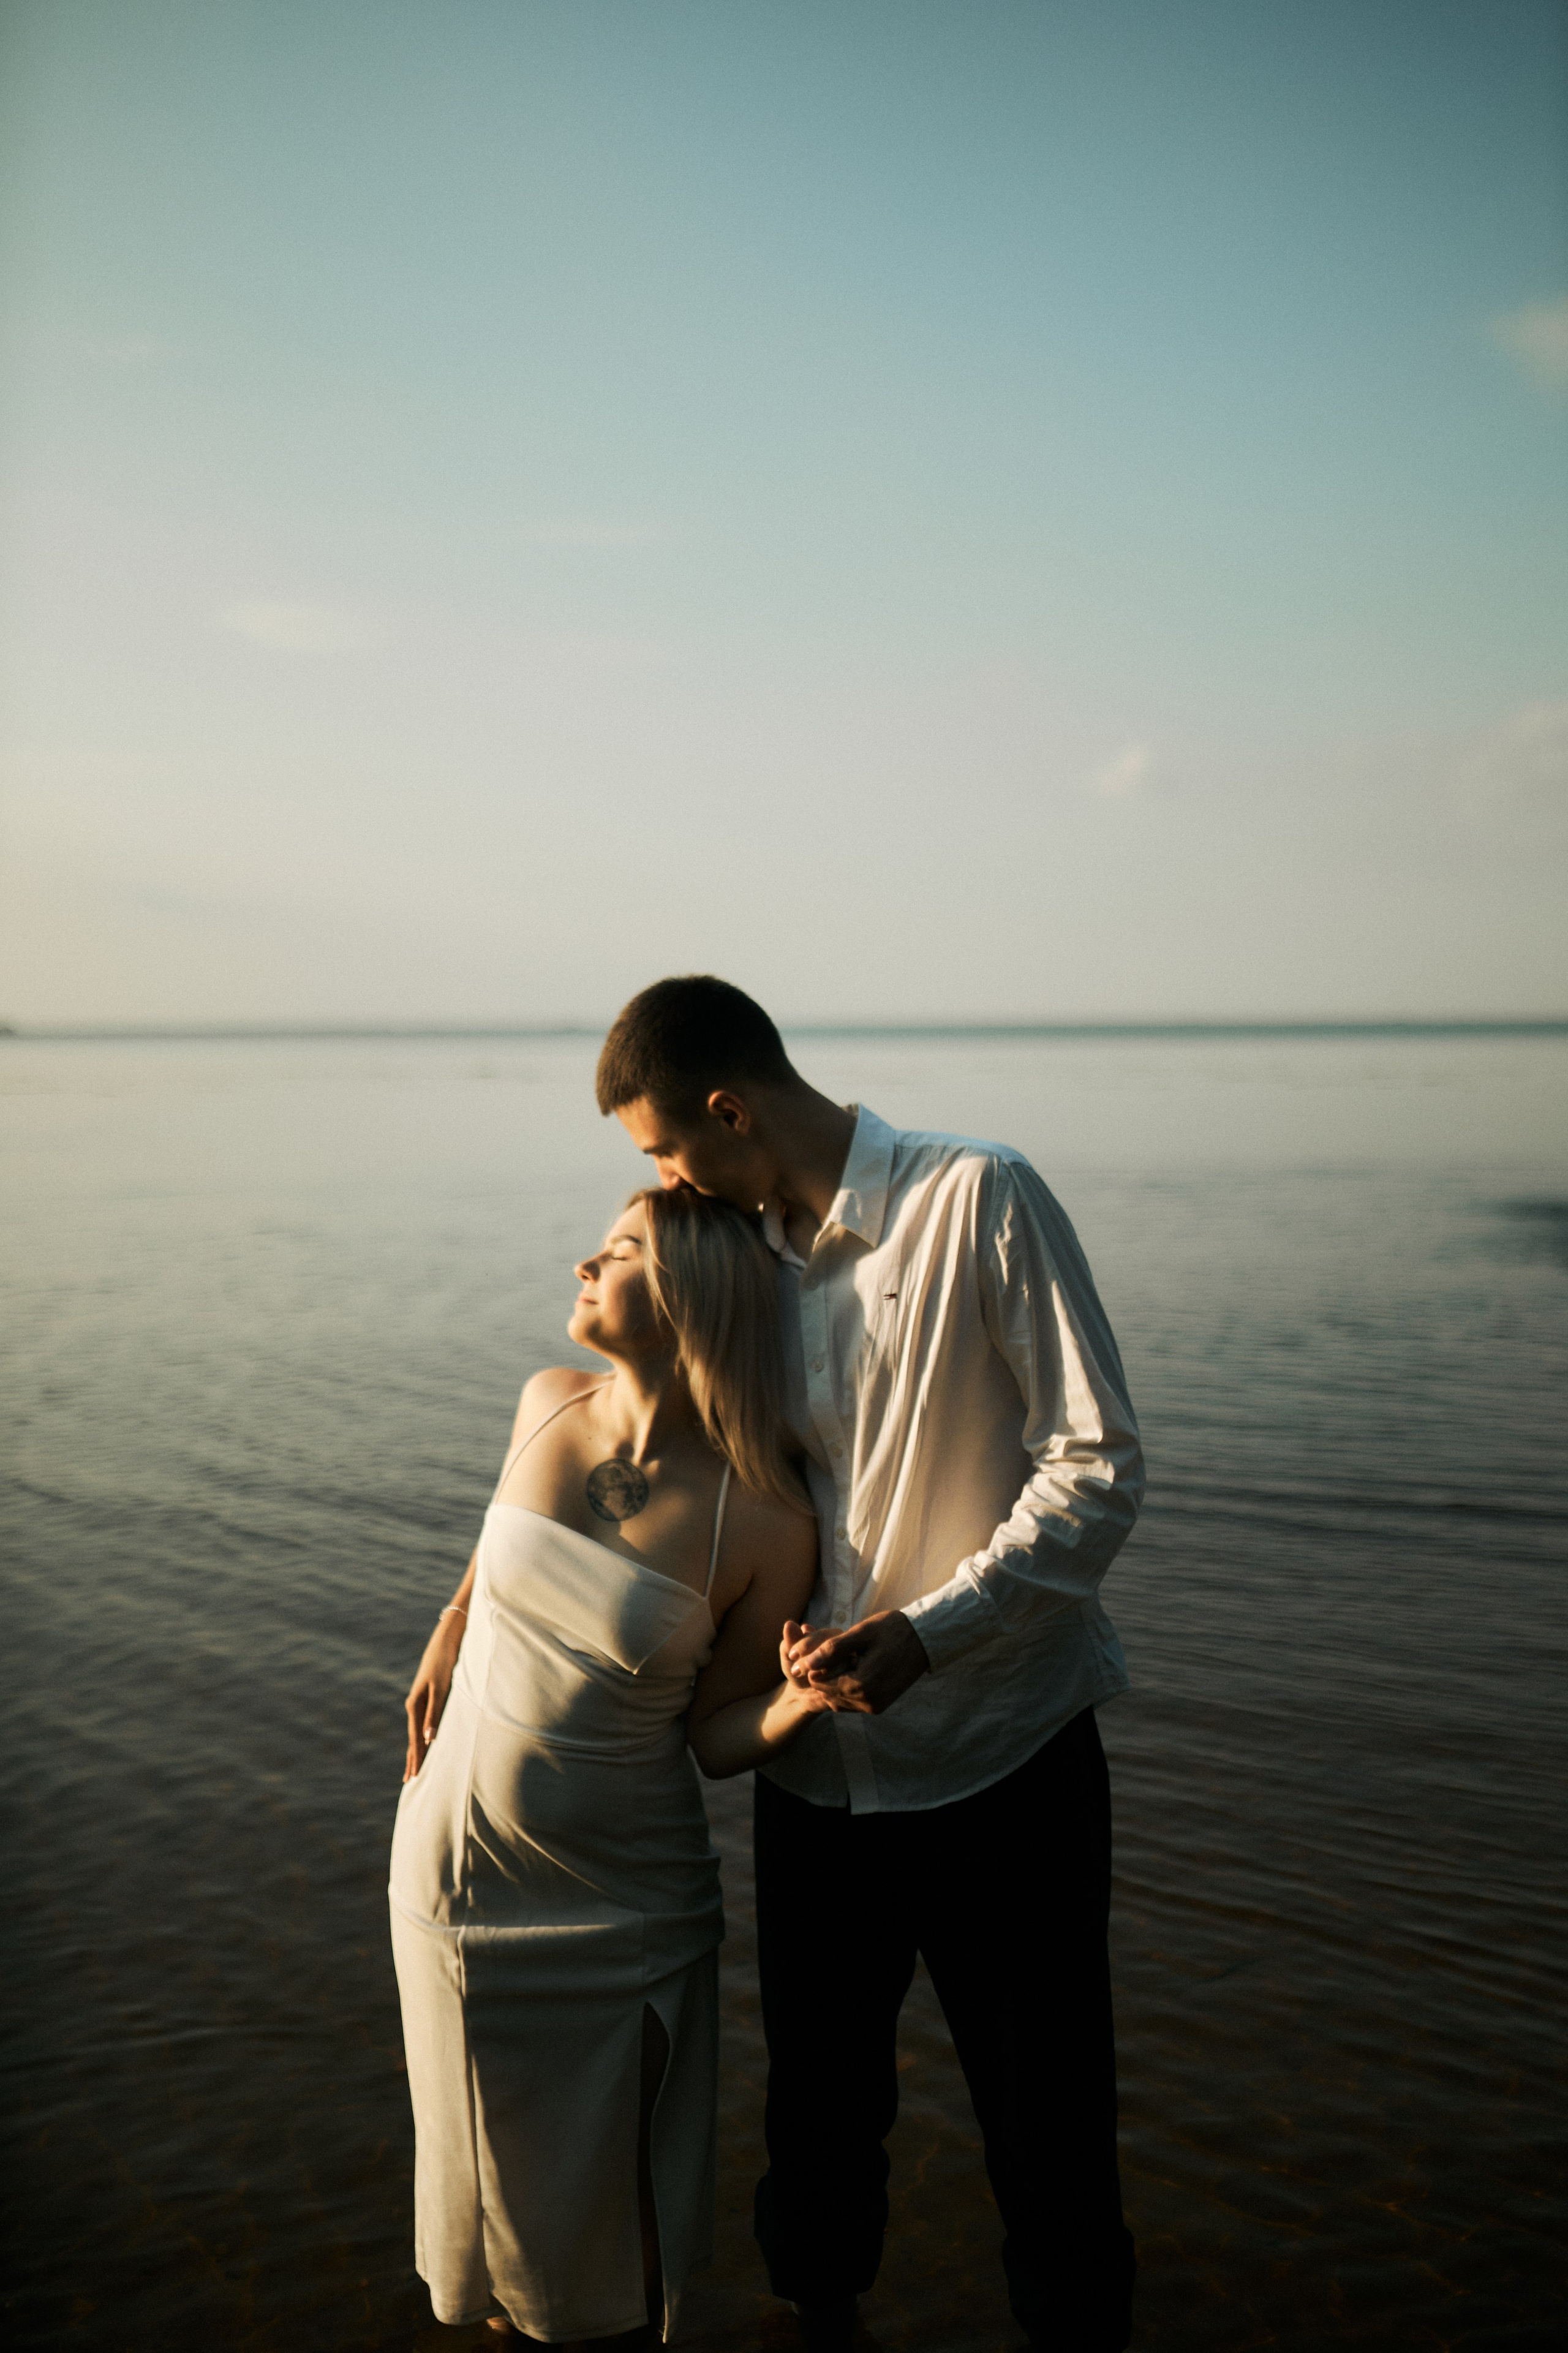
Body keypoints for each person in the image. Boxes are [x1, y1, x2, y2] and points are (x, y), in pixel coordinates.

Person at [597, 976, 1145, 2352]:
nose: (663, 1182)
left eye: (663, 1151)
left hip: (1004, 1764)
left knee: (1048, 2123)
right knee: (819, 2123)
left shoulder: (980, 1198)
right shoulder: (729, 1260)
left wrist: (929, 1634)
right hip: (819, 1783)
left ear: (726, 1108)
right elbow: (612, 1424)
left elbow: (1095, 1472)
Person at [389, 1185, 826, 2345]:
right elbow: (495, 1560)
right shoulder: (543, 1402)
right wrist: (449, 1621)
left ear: (692, 1294)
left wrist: (797, 1704)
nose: (588, 1258)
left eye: (623, 1247)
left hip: (619, 1905)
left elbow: (715, 1735)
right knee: (492, 2196)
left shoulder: (765, 1519)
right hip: (449, 1882)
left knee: (617, 2213)